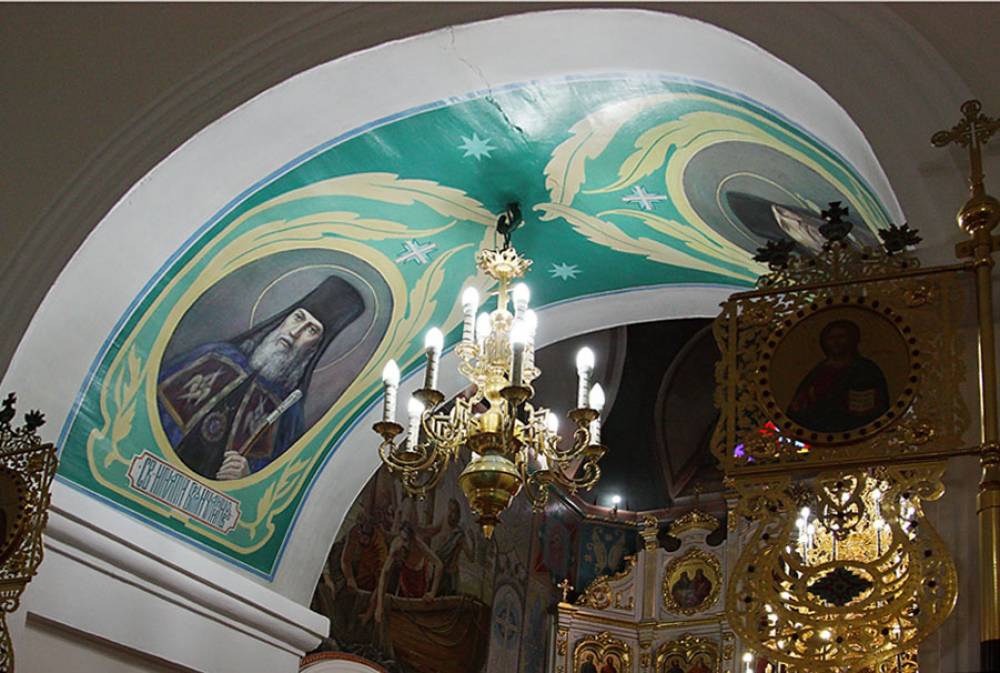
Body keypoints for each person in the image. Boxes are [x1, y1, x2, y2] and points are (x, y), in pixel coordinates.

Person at [157, 275, 364, 480]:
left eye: (311, 330)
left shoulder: (289, 415)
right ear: (283, 320)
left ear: (313, 350)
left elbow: (278, 478)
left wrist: (246, 475)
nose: (295, 333)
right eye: (298, 318)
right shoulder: (214, 355)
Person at [787, 319, 889, 433]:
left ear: (852, 340)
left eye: (841, 337)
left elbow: (877, 405)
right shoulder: (818, 371)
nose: (836, 342)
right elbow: (798, 407)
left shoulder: (866, 368)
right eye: (831, 338)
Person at [364, 521, 443, 625]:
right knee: (380, 590)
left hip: (419, 577)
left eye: (406, 540)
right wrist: (379, 607)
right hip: (404, 575)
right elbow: (385, 572)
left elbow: (439, 564)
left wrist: (432, 593)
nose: (403, 543)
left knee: (417, 608)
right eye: (402, 539)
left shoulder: (419, 545)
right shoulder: (397, 546)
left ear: (412, 539)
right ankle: (368, 616)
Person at [425, 498, 474, 595]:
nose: (451, 514)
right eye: (450, 510)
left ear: (458, 514)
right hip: (437, 569)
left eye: (454, 511)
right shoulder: (444, 521)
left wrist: (473, 541)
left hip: (449, 576)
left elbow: (471, 557)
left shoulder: (459, 535)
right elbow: (433, 531)